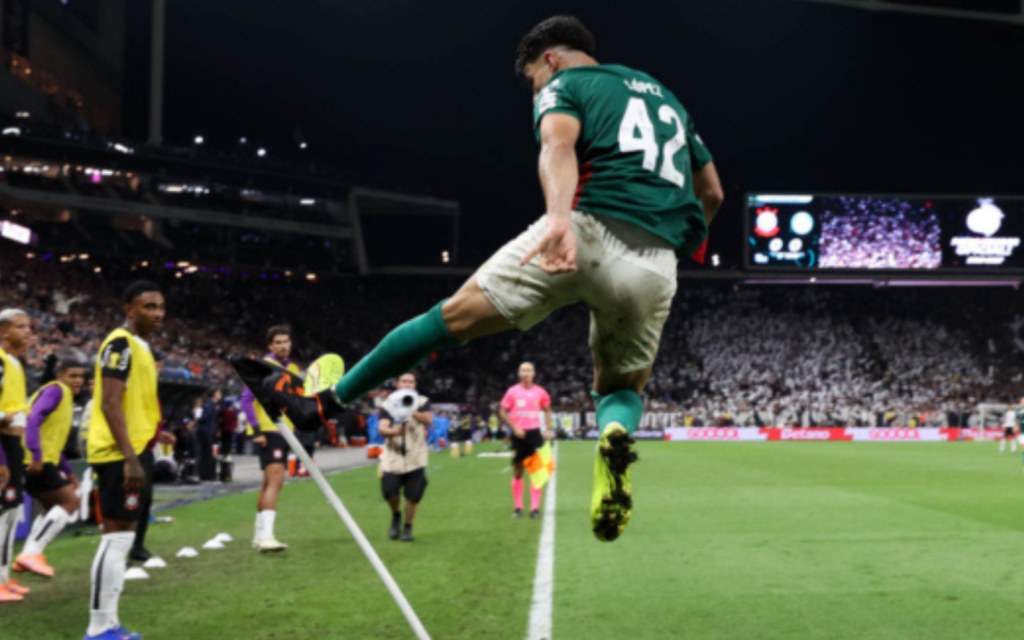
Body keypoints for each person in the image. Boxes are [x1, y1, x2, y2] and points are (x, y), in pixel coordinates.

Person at [330, 16, 723, 542]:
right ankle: (615, 436)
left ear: (551, 59)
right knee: (621, 387)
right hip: (655, 260)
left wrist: (559, 219)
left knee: (447, 319)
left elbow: (557, 148)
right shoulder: (667, 98)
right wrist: (673, 244)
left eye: (533, 78)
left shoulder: (565, 84)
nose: (536, 89)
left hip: (585, 225)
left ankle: (327, 402)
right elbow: (713, 193)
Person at [84, 281, 165, 640]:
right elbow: (110, 403)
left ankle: (110, 624)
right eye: (148, 307)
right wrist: (131, 458)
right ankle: (99, 627)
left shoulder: (142, 347)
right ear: (129, 309)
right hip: (120, 454)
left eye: (160, 307)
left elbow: (133, 403)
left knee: (123, 537)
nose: (157, 313)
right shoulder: (121, 343)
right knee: (116, 539)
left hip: (135, 448)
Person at [14, 357, 86, 579]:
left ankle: (28, 556)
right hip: (35, 460)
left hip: (39, 459)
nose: (78, 380)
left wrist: (70, 473)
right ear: (60, 376)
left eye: (81, 376)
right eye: (72, 375)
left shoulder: (62, 397)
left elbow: (54, 443)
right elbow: (33, 420)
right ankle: (31, 553)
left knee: (49, 508)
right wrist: (36, 454)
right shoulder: (56, 391)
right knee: (70, 502)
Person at [239, 325, 298, 553]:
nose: (284, 345)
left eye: (286, 341)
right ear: (270, 345)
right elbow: (246, 400)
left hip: (284, 431)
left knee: (267, 483)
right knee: (276, 480)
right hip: (269, 431)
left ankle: (258, 535)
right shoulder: (261, 366)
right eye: (279, 342)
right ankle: (266, 537)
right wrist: (257, 430)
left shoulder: (293, 367)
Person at [0, 308, 31, 602]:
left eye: (29, 327)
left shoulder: (15, 363)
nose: (28, 332)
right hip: (2, 447)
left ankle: (4, 578)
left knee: (10, 514)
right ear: (3, 331)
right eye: (20, 327)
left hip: (13, 447)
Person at [378, 373, 431, 542]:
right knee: (389, 490)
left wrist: (411, 409)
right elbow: (382, 428)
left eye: (411, 381)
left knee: (414, 495)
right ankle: (396, 515)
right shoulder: (387, 404)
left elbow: (428, 420)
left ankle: (408, 528)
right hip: (393, 456)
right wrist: (395, 432)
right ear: (397, 384)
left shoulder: (422, 401)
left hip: (416, 456)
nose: (407, 384)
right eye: (404, 381)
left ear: (415, 384)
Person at [500, 363, 553, 518]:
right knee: (518, 471)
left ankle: (534, 508)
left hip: (534, 434)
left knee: (537, 472)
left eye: (529, 370)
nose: (526, 373)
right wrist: (514, 428)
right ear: (519, 373)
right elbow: (502, 412)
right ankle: (518, 507)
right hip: (518, 435)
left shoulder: (540, 391)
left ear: (534, 373)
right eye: (523, 370)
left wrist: (548, 429)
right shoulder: (512, 391)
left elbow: (548, 409)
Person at [196, 389, 221, 481]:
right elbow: (204, 417)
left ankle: (205, 474)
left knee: (207, 453)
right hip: (206, 431)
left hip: (208, 431)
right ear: (214, 395)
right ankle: (206, 474)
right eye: (218, 393)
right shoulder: (210, 405)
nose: (220, 395)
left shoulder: (211, 405)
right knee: (207, 454)